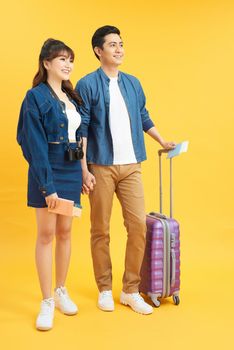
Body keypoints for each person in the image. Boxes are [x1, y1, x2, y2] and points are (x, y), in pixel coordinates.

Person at [76, 25, 176, 315]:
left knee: (137, 228)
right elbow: (81, 129)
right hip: (100, 165)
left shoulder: (133, 83)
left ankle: (130, 290)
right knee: (100, 230)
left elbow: (143, 115)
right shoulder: (87, 84)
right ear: (98, 51)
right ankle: (105, 289)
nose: (119, 49)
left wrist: (161, 139)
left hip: (132, 165)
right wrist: (84, 170)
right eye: (112, 45)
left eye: (121, 44)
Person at [17, 39, 84, 331]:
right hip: (47, 169)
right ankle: (46, 301)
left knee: (66, 232)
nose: (68, 64)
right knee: (46, 234)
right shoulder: (35, 97)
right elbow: (31, 143)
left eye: (70, 59)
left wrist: (84, 171)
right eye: (61, 59)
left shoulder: (73, 97)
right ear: (46, 64)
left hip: (71, 168)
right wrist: (48, 185)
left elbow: (80, 136)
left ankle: (60, 290)